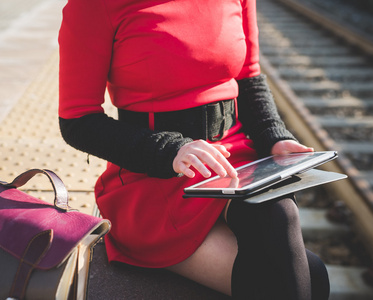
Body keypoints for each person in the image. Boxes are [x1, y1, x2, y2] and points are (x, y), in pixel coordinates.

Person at [57, 0, 330, 299]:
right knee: (306, 277)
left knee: (283, 223)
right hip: (156, 175)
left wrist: (274, 136)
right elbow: (78, 120)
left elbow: (248, 77)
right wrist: (170, 149)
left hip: (232, 159)